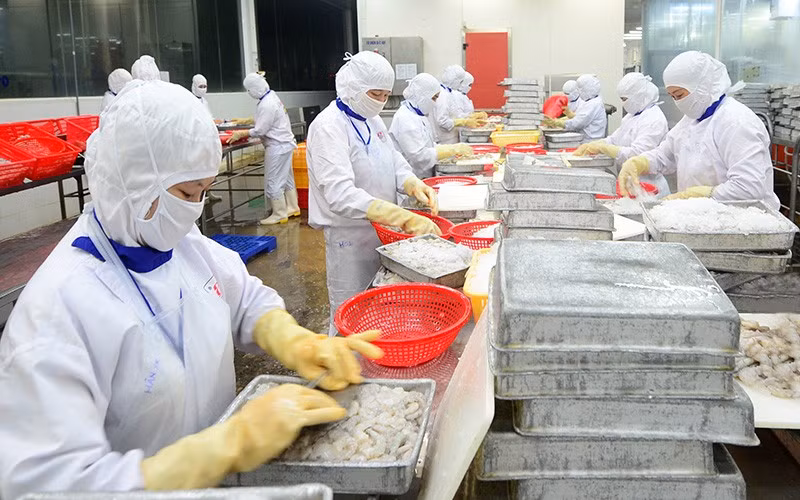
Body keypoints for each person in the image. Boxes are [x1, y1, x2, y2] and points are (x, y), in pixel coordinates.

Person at [0, 80, 383, 499]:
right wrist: (218, 449)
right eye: (186, 192)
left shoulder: (179, 241)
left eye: (204, 191)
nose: (196, 208)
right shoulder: (58, 312)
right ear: (133, 182)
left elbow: (244, 298)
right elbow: (47, 487)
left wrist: (294, 340)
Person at [306, 51, 441, 335]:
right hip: (350, 239)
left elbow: (394, 161)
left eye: (385, 95)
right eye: (375, 94)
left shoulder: (373, 120)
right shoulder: (328, 127)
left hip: (383, 232)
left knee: (381, 306)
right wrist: (399, 215)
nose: (380, 101)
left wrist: (411, 182)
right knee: (350, 314)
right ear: (353, 87)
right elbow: (339, 194)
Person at [619, 51, 780, 208]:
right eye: (672, 96)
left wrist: (703, 194)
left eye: (680, 95)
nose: (677, 102)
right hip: (705, 217)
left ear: (702, 86)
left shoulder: (736, 122)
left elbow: (749, 188)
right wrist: (639, 162)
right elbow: (664, 155)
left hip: (746, 223)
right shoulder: (691, 120)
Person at [574, 72, 671, 196]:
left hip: (649, 189)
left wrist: (605, 148)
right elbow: (614, 139)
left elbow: (638, 155)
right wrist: (597, 144)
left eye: (624, 99)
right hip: (630, 185)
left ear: (639, 95)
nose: (622, 103)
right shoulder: (632, 115)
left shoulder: (653, 119)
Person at [228, 73, 300, 224]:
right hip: (285, 144)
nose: (249, 93)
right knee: (286, 178)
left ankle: (279, 213)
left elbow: (261, 130)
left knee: (273, 181)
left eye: (248, 90)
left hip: (277, 146)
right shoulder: (270, 96)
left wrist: (241, 133)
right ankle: (293, 206)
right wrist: (246, 120)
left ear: (254, 89)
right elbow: (266, 118)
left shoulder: (267, 103)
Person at [388, 73, 473, 179]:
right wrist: (451, 150)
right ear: (422, 96)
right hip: (413, 176)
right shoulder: (405, 118)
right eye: (434, 98)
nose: (435, 102)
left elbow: (428, 145)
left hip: (423, 174)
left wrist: (448, 149)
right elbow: (419, 156)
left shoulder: (418, 114)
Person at [430, 65, 486, 144]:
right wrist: (462, 122)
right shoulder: (443, 95)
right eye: (460, 82)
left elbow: (455, 113)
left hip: (451, 137)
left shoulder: (449, 93)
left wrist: (469, 118)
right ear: (454, 80)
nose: (460, 85)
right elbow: (442, 121)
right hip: (445, 139)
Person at [544, 74, 607, 141]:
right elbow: (579, 117)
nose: (579, 92)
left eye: (580, 89)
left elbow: (577, 123)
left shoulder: (593, 104)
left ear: (588, 89)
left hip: (589, 140)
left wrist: (556, 122)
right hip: (585, 138)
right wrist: (568, 116)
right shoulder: (589, 101)